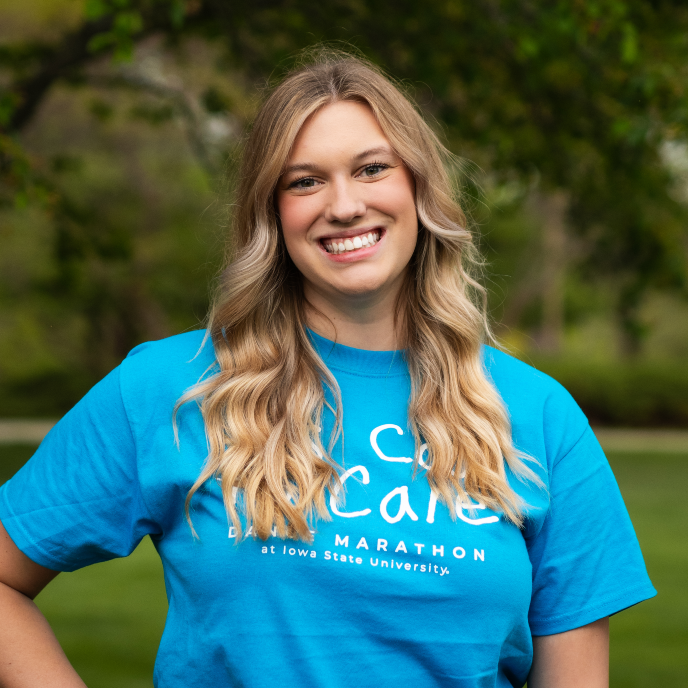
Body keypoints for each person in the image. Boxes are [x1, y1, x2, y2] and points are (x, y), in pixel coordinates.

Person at [0, 52, 655, 688]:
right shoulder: (171, 388)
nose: (343, 206)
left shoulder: (537, 414)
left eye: (372, 168)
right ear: (271, 210)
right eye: (304, 180)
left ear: (418, 185)